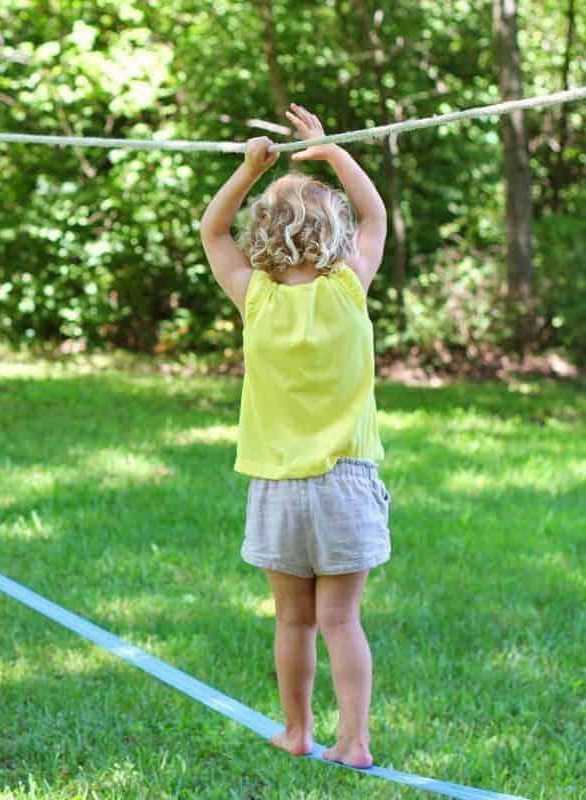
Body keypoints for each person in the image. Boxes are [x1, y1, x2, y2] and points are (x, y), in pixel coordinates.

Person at [198, 103, 391, 769]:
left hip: (279, 485)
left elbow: (212, 229)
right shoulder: (347, 287)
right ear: (331, 229)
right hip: (346, 483)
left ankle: (297, 731)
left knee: (293, 621)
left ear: (266, 233)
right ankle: (355, 742)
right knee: (342, 621)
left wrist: (250, 169)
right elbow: (376, 218)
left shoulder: (256, 295)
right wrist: (332, 151)